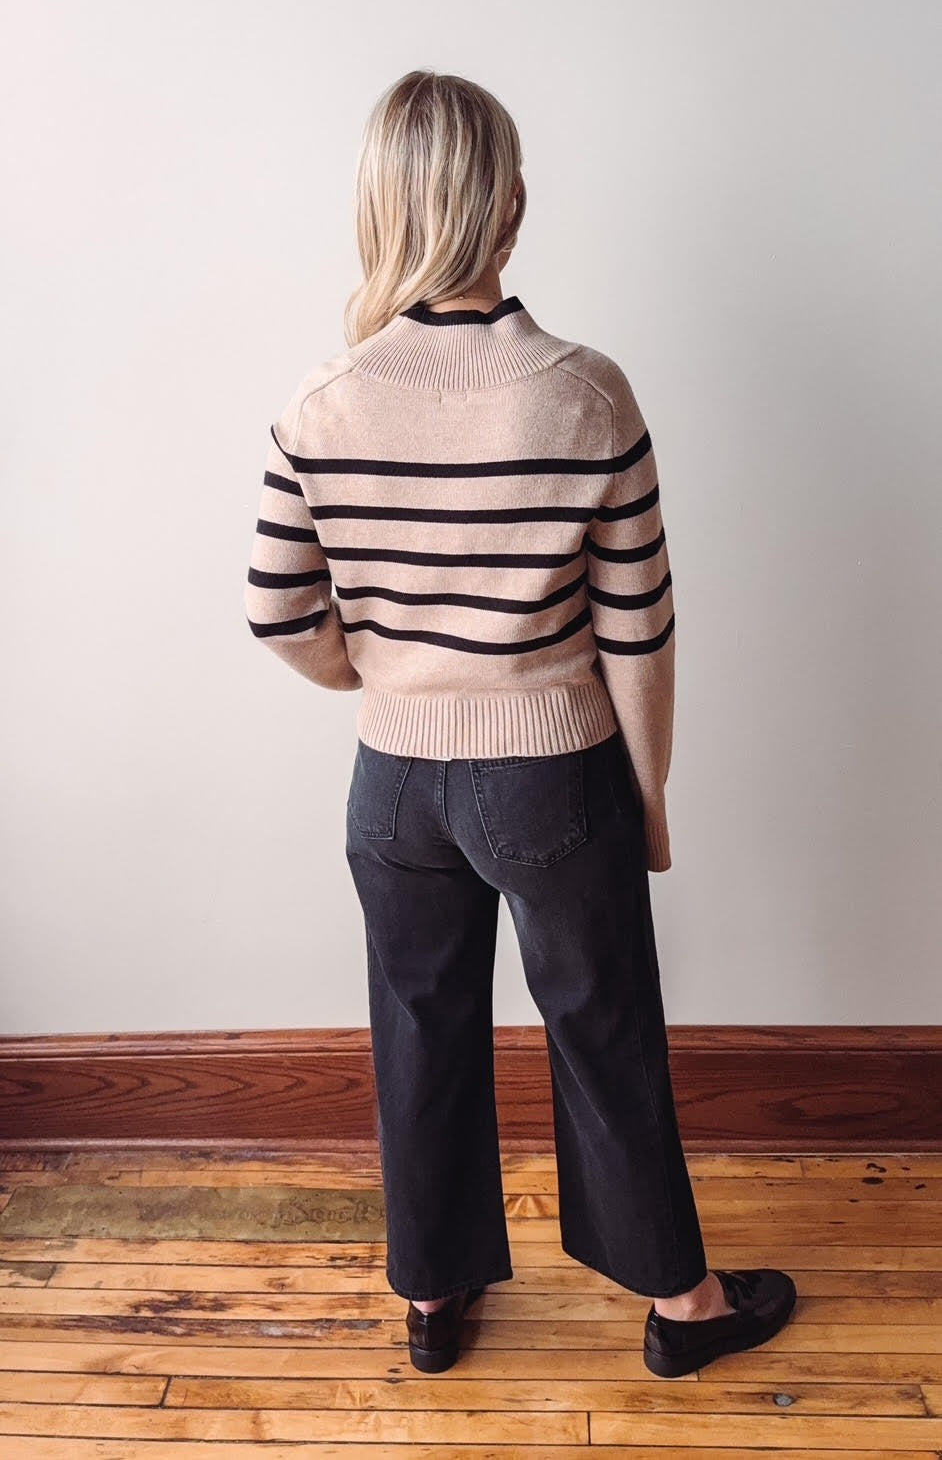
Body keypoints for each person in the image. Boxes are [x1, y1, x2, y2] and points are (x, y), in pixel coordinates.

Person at [245, 68, 796, 1377]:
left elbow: (278, 613)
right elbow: (636, 634)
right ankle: (681, 1302)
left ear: (380, 204)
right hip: (552, 775)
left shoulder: (321, 401)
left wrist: (384, 681)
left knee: (416, 1027)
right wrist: (646, 800)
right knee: (601, 1024)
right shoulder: (581, 391)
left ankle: (434, 1298)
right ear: (511, 202)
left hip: (391, 788)